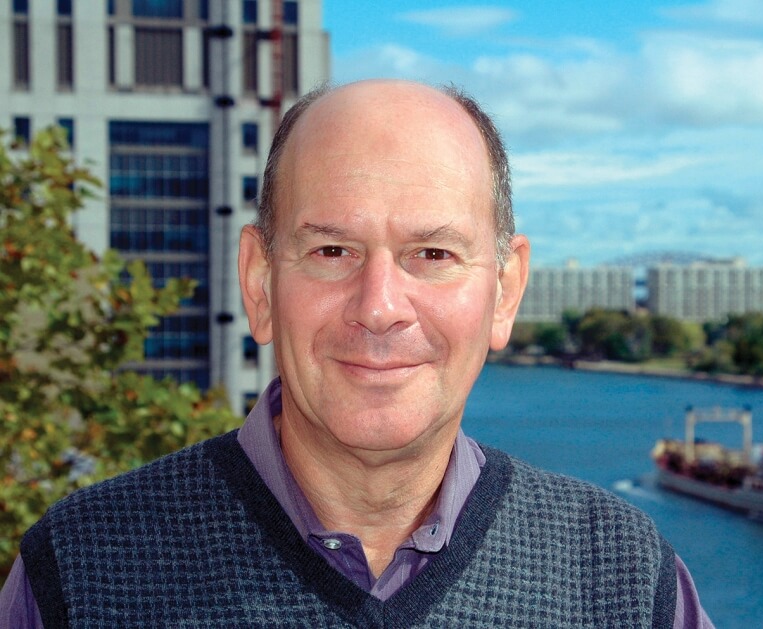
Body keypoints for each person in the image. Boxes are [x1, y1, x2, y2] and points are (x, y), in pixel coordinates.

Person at [1, 79, 713, 627]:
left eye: (432, 253)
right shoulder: (77, 574)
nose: (378, 305)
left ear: (504, 292)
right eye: (332, 250)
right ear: (259, 282)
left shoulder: (622, 579)